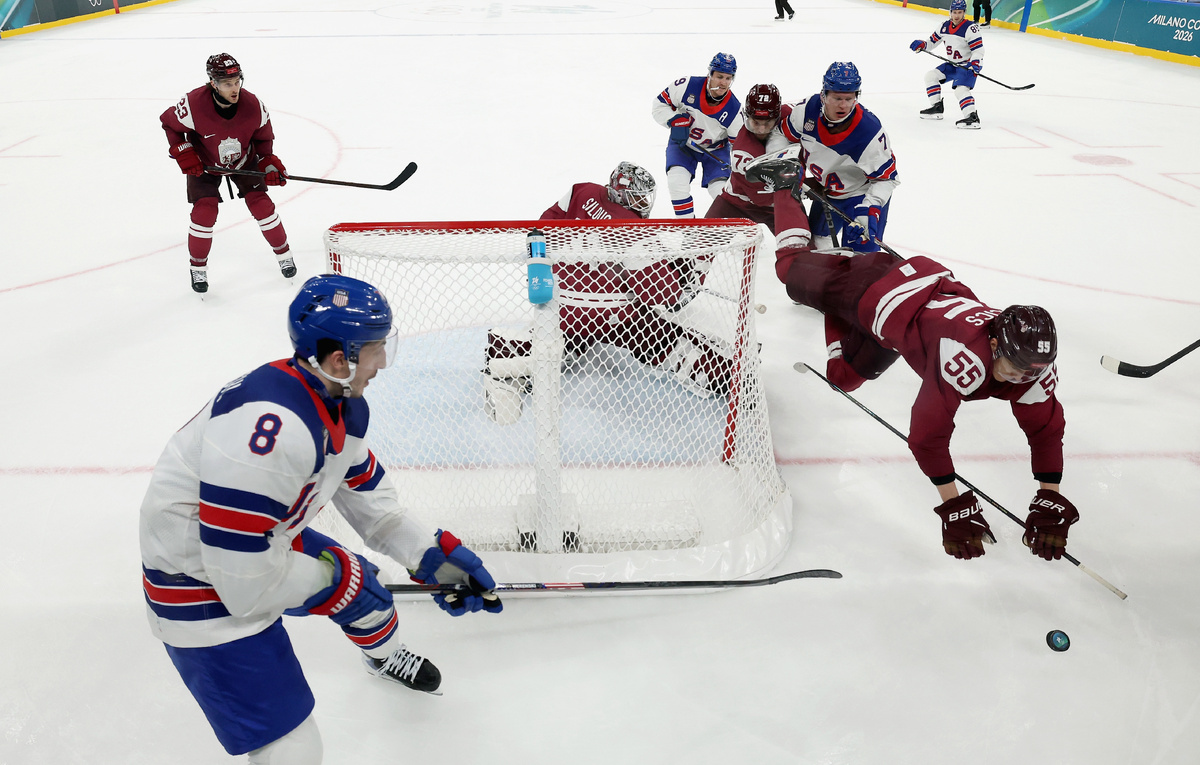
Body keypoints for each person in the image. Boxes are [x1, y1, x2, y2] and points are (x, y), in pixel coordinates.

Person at [140, 274, 502, 763]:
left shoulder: (335, 402)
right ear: (340, 359)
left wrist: (430, 557)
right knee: (293, 747)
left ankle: (382, 655)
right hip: (196, 583)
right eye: (376, 349)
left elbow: (374, 504)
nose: (381, 362)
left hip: (255, 542)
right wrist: (334, 581)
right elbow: (242, 585)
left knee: (368, 593)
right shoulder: (267, 434)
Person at [774, 247, 1079, 563]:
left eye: (1034, 369)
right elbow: (926, 438)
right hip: (873, 289)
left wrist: (1050, 497)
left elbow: (1045, 432)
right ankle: (796, 210)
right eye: (1017, 366)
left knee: (841, 379)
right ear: (993, 345)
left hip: (900, 321)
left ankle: (838, 302)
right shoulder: (964, 357)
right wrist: (952, 504)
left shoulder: (1034, 367)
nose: (1023, 377)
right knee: (785, 268)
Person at [484, 162, 735, 408]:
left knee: (555, 332)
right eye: (638, 199)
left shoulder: (580, 191)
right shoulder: (635, 230)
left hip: (562, 309)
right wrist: (681, 278)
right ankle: (725, 375)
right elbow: (661, 294)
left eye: (645, 199)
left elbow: (542, 226)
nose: (643, 205)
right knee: (662, 338)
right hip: (614, 317)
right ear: (621, 193)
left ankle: (511, 356)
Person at [161, 53, 296, 294]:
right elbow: (169, 123)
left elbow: (263, 138)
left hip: (243, 159)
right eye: (226, 84)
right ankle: (198, 268)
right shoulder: (193, 105)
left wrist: (267, 162)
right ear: (213, 83)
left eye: (237, 82)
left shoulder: (253, 105)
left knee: (262, 205)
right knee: (205, 210)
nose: (234, 89)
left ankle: (284, 254)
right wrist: (183, 150)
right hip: (204, 163)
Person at [747, 62, 898, 255]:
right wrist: (783, 162)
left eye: (849, 98)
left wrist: (870, 207)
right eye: (837, 98)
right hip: (828, 193)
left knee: (862, 261)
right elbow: (781, 134)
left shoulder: (868, 132)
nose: (843, 105)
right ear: (824, 94)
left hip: (861, 196)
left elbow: (887, 179)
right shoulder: (807, 110)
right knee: (817, 245)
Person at [705, 83, 811, 255]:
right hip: (737, 202)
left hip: (781, 201)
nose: (761, 129)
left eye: (768, 122)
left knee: (805, 258)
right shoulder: (743, 151)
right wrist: (800, 186)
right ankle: (685, 279)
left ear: (777, 115)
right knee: (699, 246)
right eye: (755, 122)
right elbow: (761, 197)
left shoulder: (791, 115)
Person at [651, 53, 742, 218]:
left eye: (728, 78)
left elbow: (740, 147)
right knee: (676, 182)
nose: (723, 82)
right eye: (720, 76)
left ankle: (727, 235)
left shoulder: (734, 110)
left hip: (715, 151)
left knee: (721, 194)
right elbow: (659, 105)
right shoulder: (686, 86)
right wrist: (673, 120)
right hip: (683, 144)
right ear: (710, 74)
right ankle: (688, 231)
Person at [910, 0, 985, 129]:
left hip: (967, 65)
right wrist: (923, 45)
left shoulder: (970, 28)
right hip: (952, 64)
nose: (957, 16)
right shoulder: (944, 26)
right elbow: (932, 42)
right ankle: (937, 107)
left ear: (964, 13)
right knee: (931, 76)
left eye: (960, 12)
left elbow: (978, 50)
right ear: (950, 12)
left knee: (961, 90)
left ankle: (972, 116)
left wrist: (974, 64)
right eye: (954, 12)